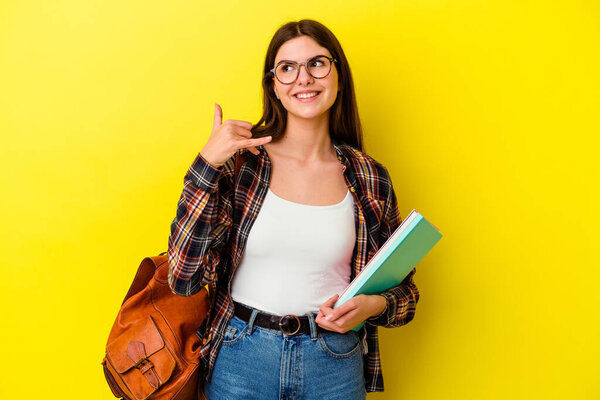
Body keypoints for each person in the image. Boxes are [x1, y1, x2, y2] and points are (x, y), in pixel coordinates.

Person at [167, 19, 420, 399]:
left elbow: (406, 295)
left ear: (338, 77)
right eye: (287, 68)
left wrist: (370, 305)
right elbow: (183, 277)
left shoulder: (369, 176)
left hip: (334, 361)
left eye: (317, 63)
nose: (303, 78)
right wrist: (206, 166)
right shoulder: (242, 164)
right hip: (242, 357)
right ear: (274, 87)